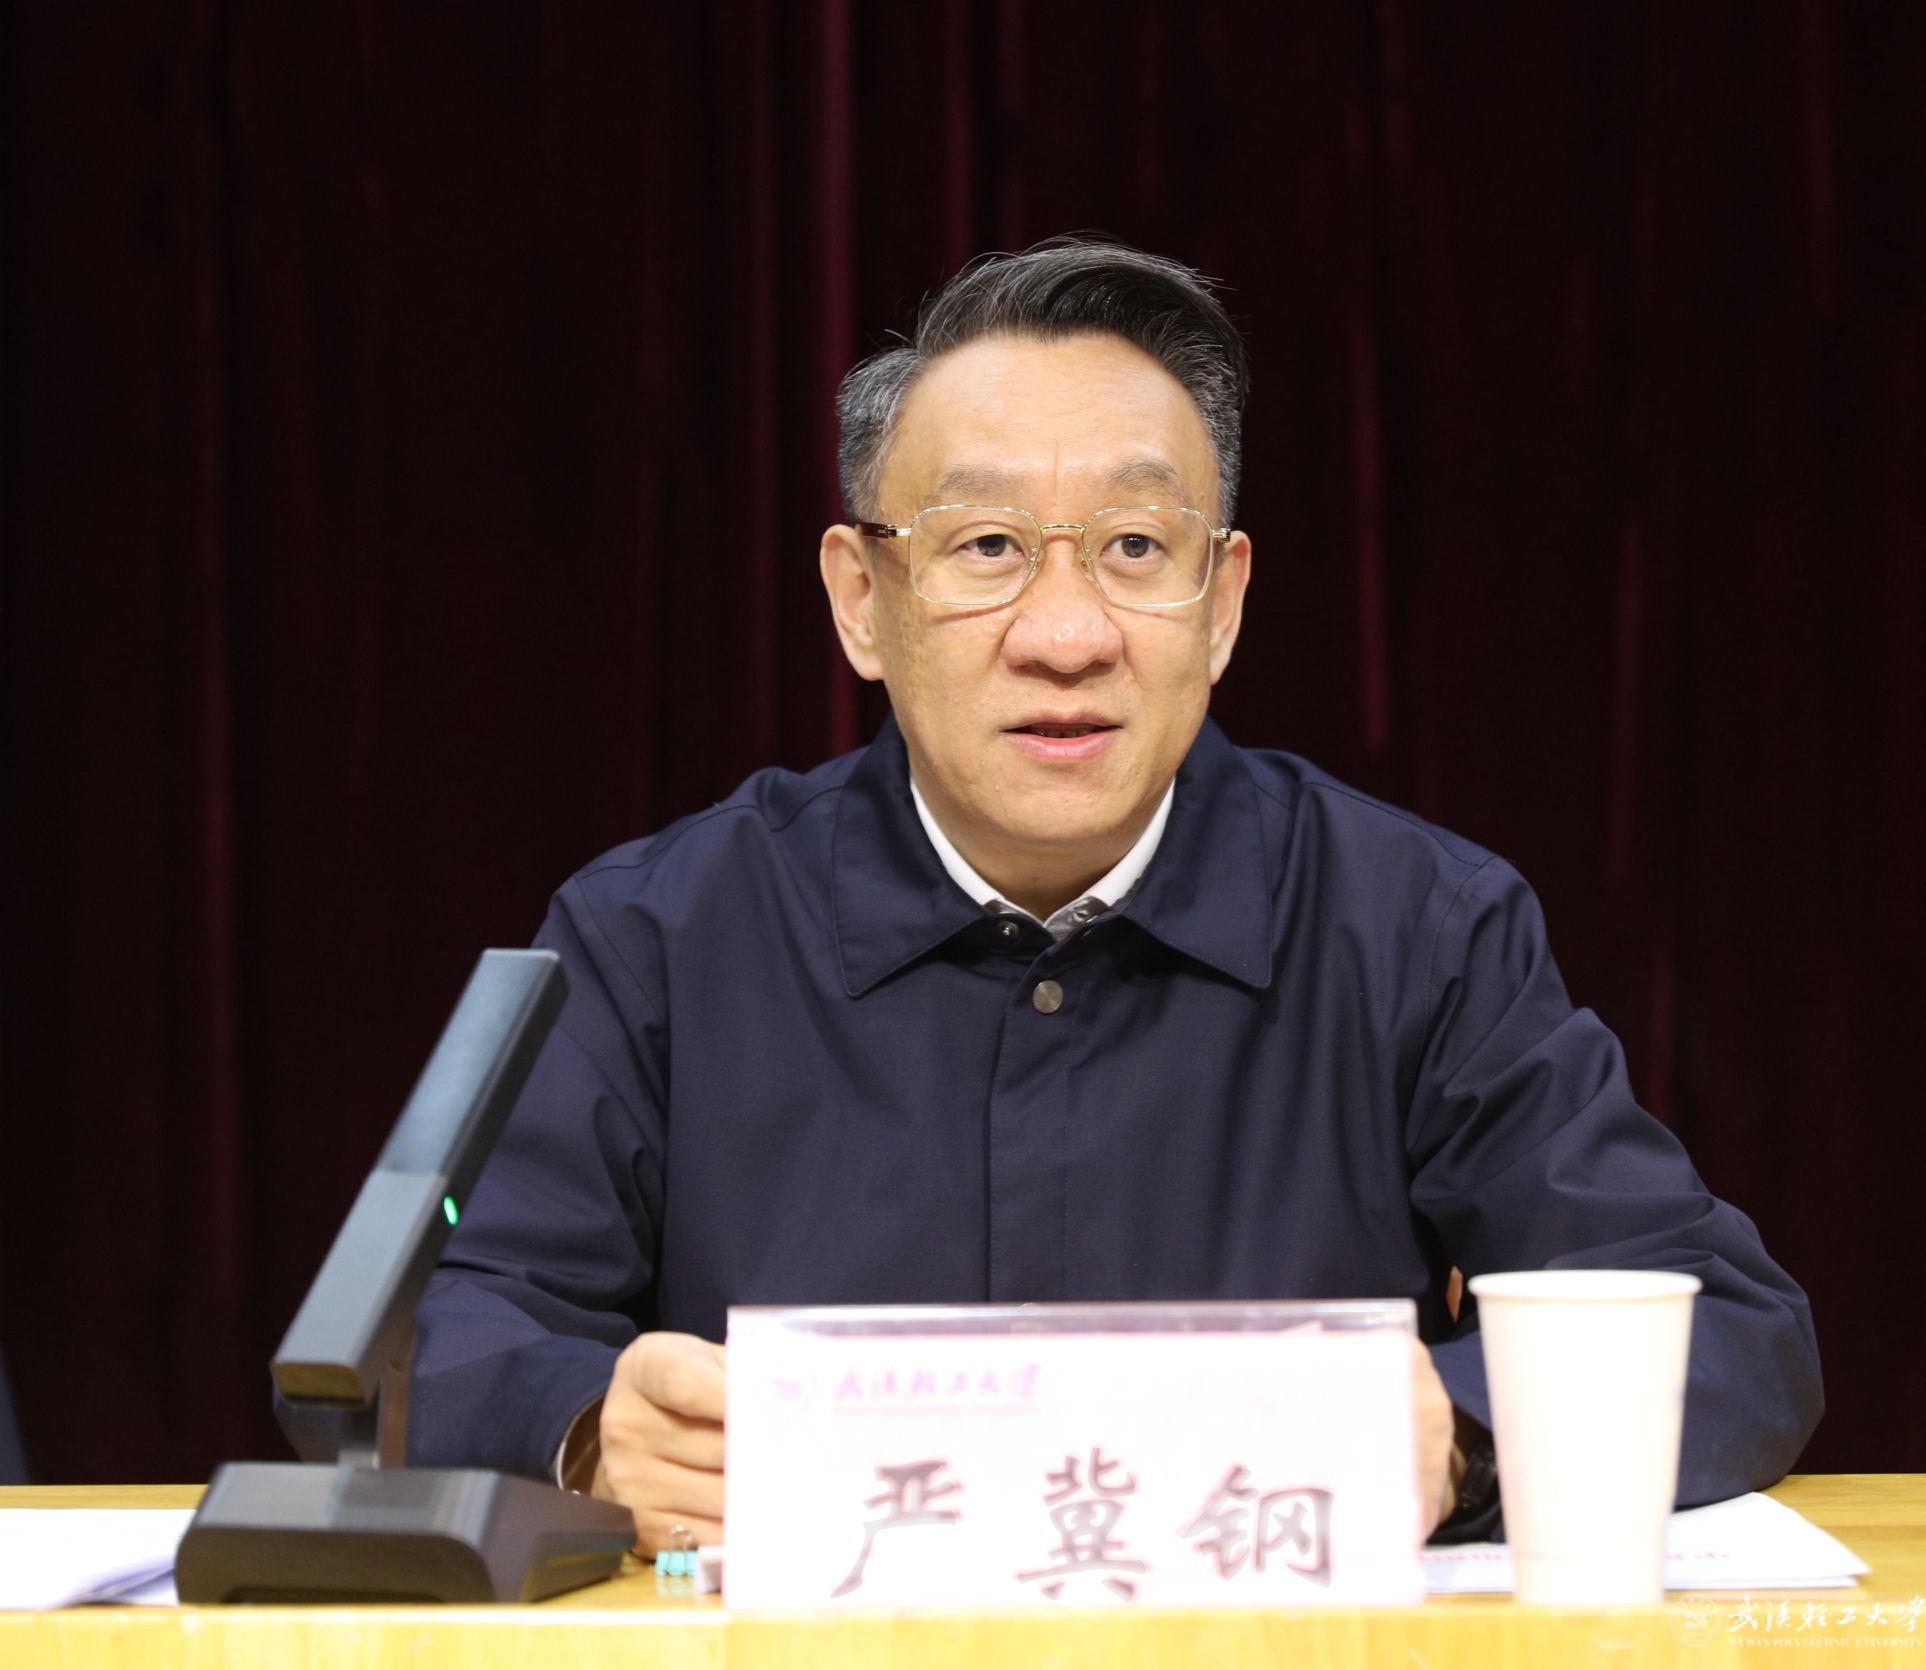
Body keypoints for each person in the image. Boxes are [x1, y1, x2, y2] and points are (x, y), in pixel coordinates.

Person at [411, 237, 1822, 1554]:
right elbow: (417, 1347)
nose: (1067, 634)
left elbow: (1731, 1332)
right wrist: (588, 1431)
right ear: (860, 600)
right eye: (986, 546)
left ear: (1223, 602)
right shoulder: (659, 935)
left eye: (1137, 547)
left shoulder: (1416, 928)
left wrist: (1458, 1435)